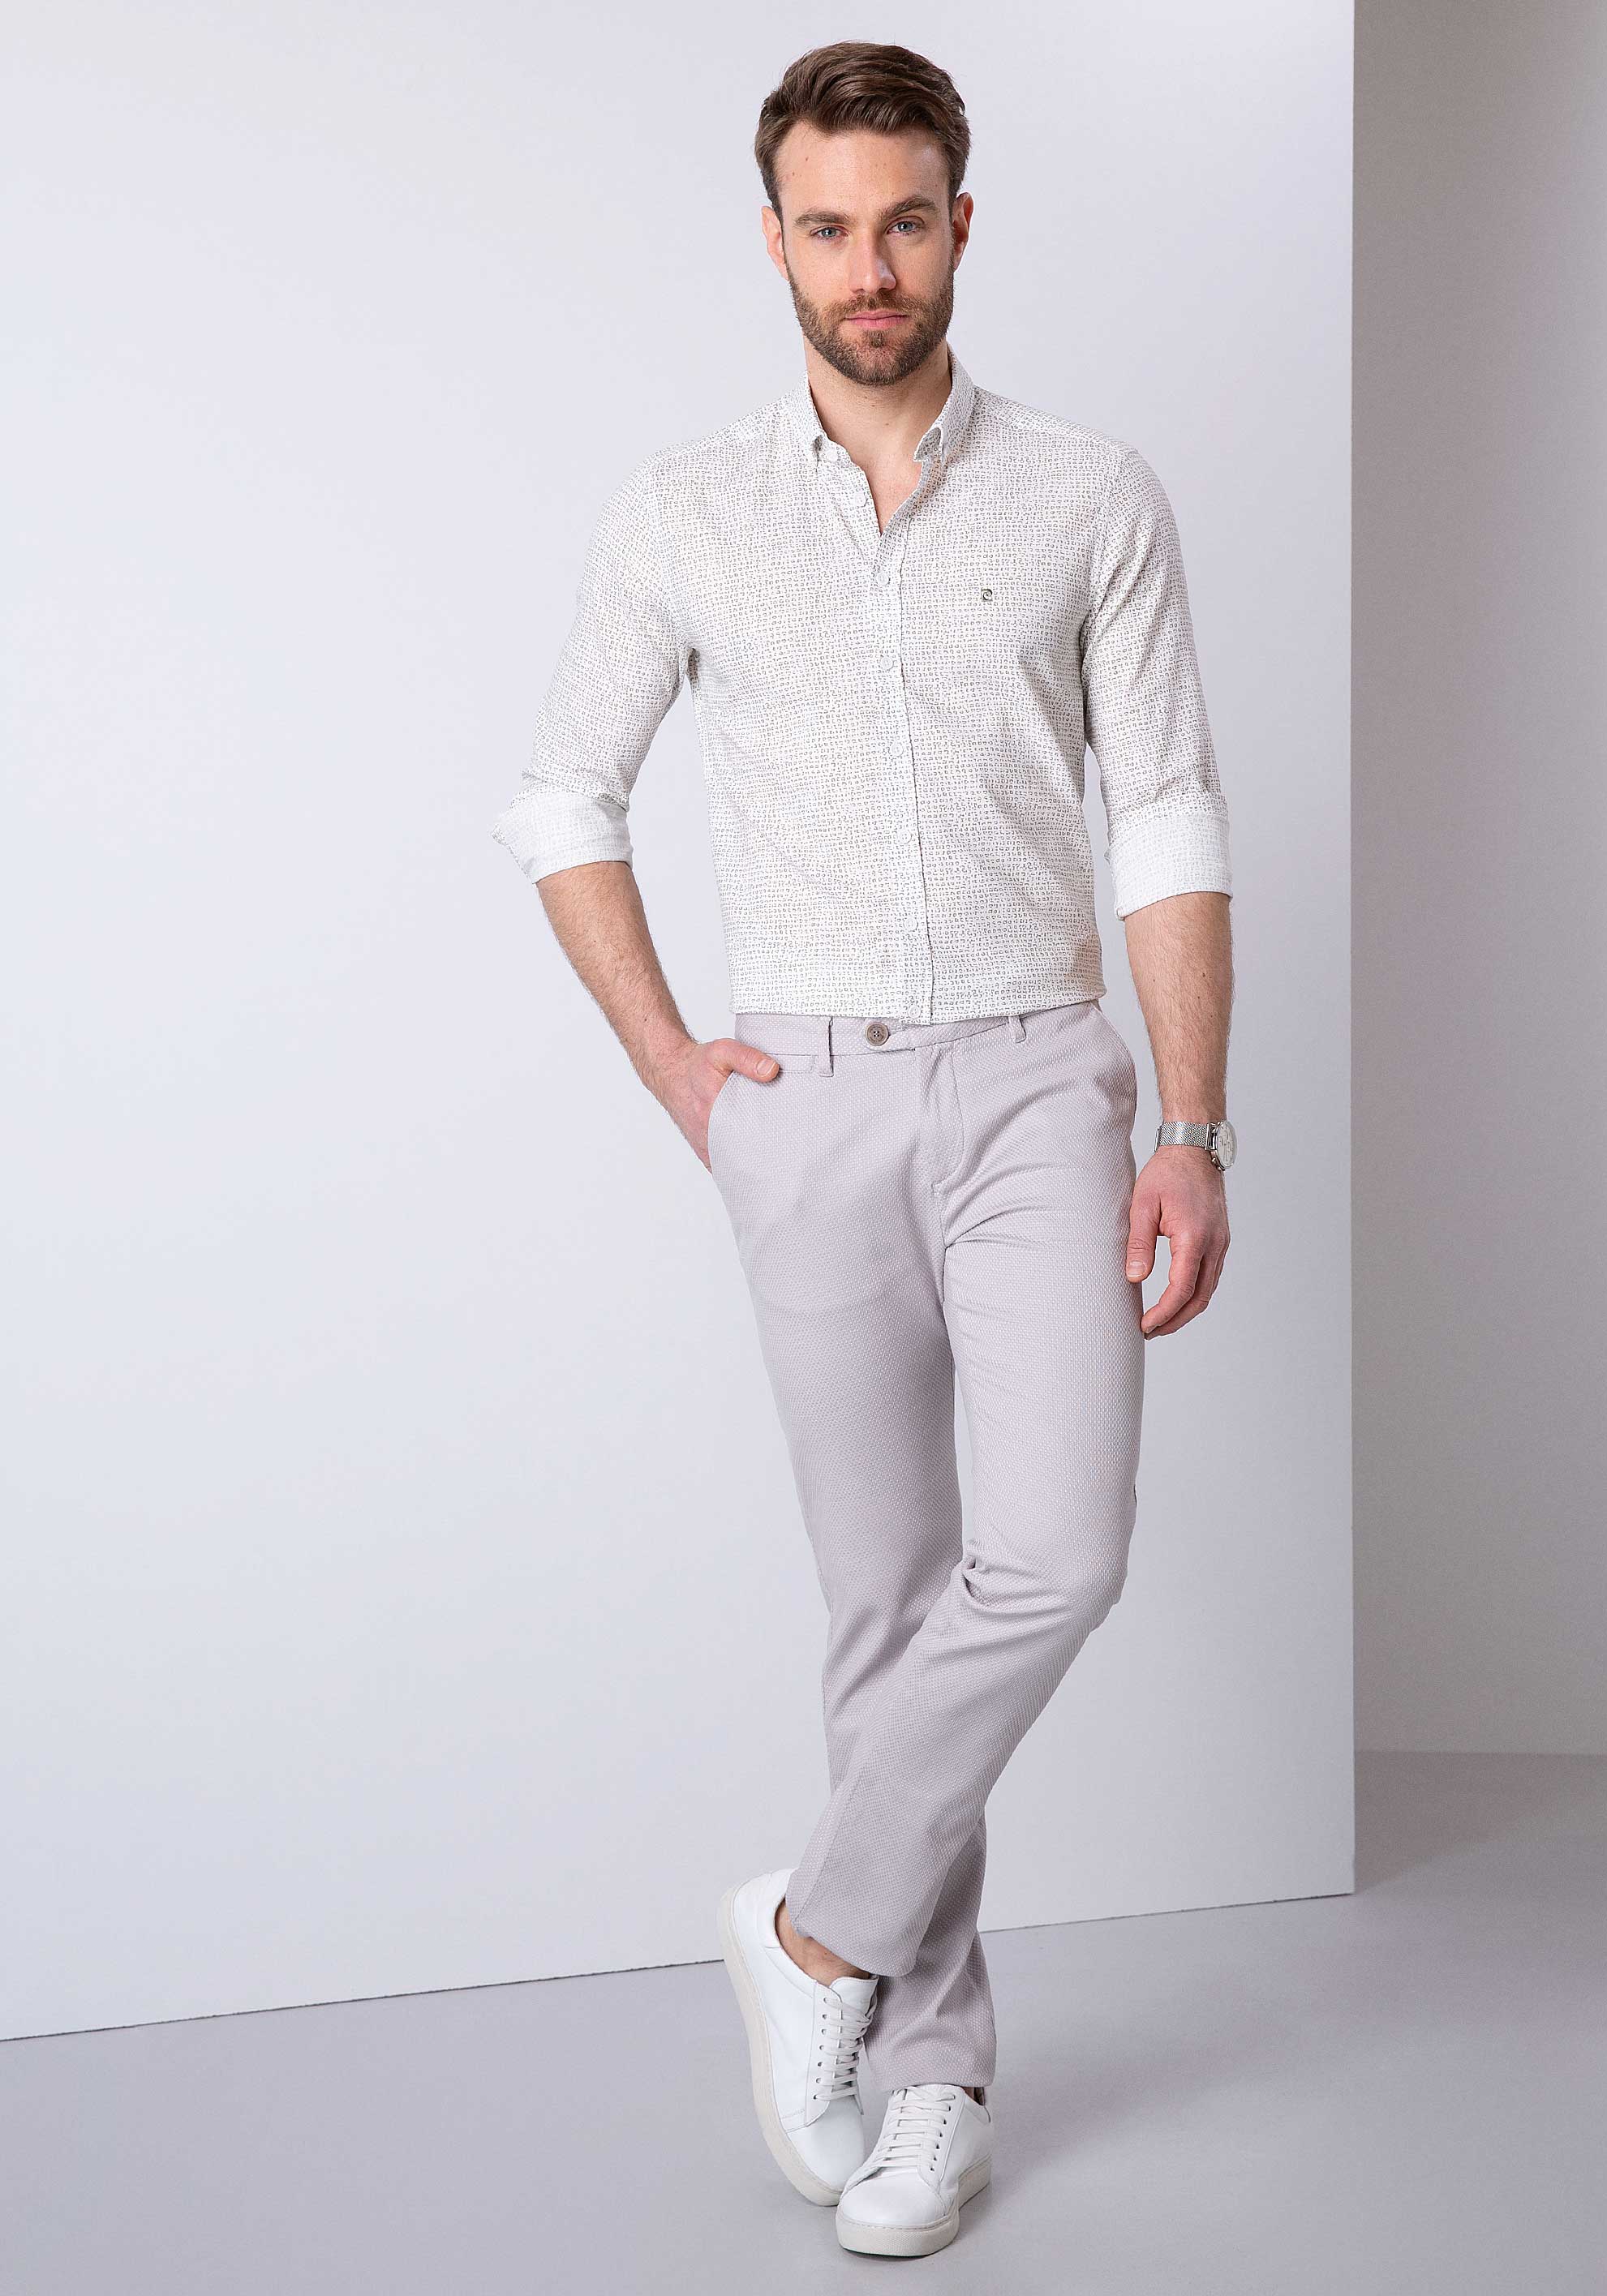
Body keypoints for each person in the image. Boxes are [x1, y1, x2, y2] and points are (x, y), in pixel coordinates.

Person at [492, 39, 1235, 2261]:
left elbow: (1165, 812)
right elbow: (561, 796)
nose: (869, 266)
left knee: (1056, 1556)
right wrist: (674, 1068)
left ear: (961, 225)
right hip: (799, 1101)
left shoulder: (1090, 493)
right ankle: (929, 2083)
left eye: (904, 220)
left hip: (1038, 1081)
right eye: (827, 228)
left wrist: (1190, 1119)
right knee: (887, 1605)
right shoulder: (685, 510)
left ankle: (810, 1929)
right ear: (776, 243)